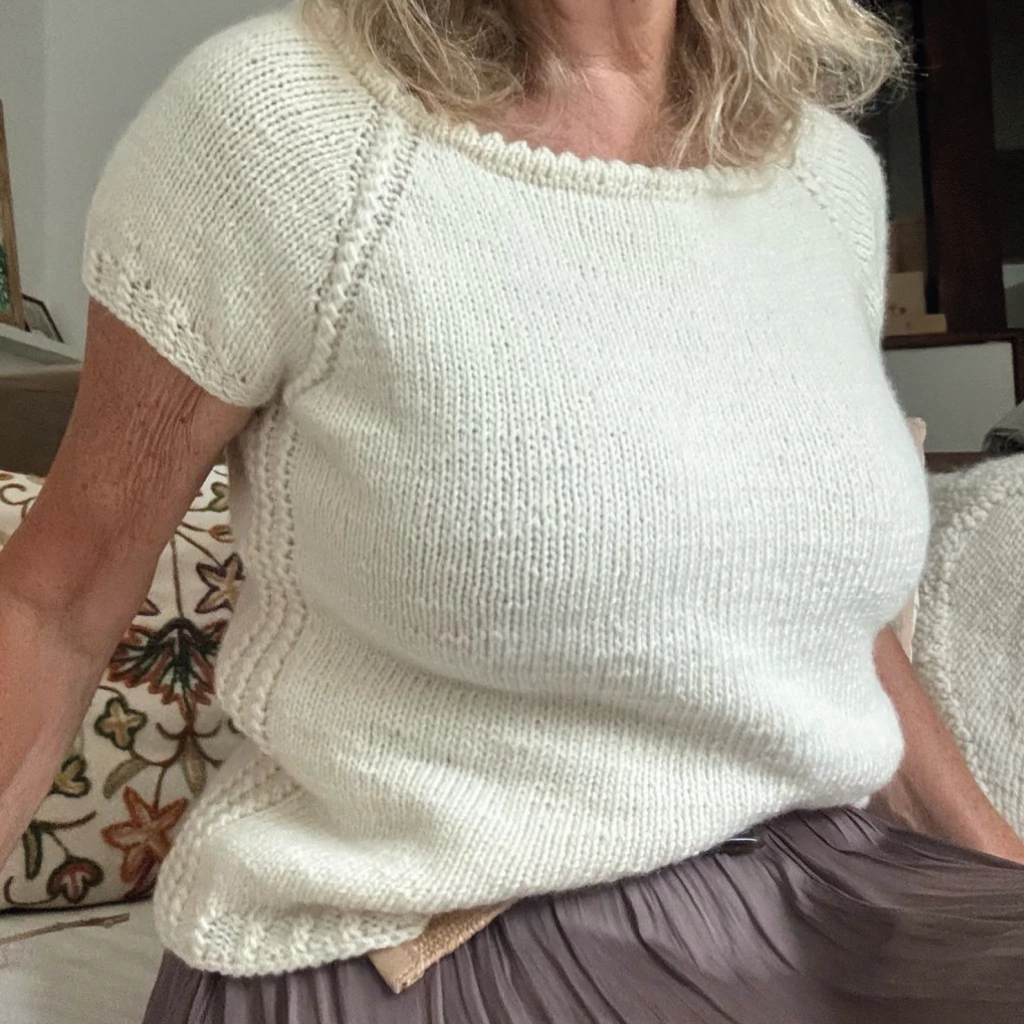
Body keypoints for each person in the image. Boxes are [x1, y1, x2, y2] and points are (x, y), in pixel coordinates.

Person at [1, 0, 1023, 1020]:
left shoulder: (822, 173)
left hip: (808, 886)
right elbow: (56, 607)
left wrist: (1002, 884)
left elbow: (813, 619)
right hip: (438, 930)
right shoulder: (282, 127)